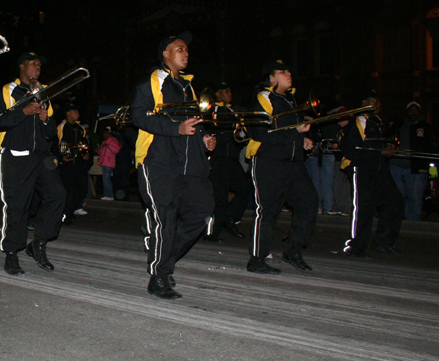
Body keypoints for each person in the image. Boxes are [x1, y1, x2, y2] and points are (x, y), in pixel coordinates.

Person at [130, 31, 216, 300]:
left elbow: (193, 123)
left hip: (190, 163)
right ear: (166, 54)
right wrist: (175, 128)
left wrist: (204, 138)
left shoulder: (188, 87)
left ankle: (164, 258)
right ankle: (158, 276)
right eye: (179, 49)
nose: (185, 52)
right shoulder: (151, 83)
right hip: (158, 162)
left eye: (187, 49)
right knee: (165, 219)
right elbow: (139, 117)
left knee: (202, 213)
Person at [0, 52, 66, 276]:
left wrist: (45, 120)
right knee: (16, 206)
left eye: (40, 64)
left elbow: (51, 132)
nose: (38, 67)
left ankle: (38, 243)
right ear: (22, 66)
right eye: (34, 63)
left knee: (57, 196)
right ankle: (11, 254)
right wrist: (23, 111)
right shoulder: (7, 91)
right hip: (15, 155)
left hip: (40, 156)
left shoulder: (42, 93)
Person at [246, 59, 318, 274]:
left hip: (294, 165)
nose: (288, 73)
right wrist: (295, 133)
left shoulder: (291, 100)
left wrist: (301, 141)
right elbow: (262, 133)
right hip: (270, 163)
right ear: (271, 78)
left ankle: (293, 250)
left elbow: (287, 132)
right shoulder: (264, 98)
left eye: (289, 70)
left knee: (309, 202)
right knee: (267, 211)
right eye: (282, 71)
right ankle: (256, 259)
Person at [340, 90, 404, 258]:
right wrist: (380, 153)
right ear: (364, 102)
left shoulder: (376, 122)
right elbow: (353, 151)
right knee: (364, 209)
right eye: (374, 100)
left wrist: (387, 148)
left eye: (379, 101)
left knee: (394, 202)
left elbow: (376, 145)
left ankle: (383, 242)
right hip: (362, 169)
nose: (378, 104)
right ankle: (355, 247)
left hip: (379, 169)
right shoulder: (358, 122)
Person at [205, 81, 251, 242]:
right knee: (220, 196)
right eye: (225, 91)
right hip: (217, 159)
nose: (229, 93)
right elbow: (209, 129)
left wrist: (241, 135)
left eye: (230, 90)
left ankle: (228, 219)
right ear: (217, 94)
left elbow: (239, 134)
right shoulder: (212, 109)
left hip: (231, 158)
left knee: (245, 187)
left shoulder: (233, 110)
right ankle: (213, 232)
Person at [388, 102, 437, 221]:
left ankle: (412, 220)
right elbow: (388, 138)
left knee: (414, 196)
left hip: (416, 167)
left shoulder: (426, 127)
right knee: (398, 195)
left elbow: (433, 146)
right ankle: (397, 218)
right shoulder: (399, 125)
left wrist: (431, 169)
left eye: (416, 110)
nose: (413, 112)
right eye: (411, 109)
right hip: (396, 165)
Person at [58, 102, 91, 223]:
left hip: (78, 164)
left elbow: (83, 143)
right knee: (67, 190)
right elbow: (55, 144)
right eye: (75, 111)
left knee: (82, 188)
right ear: (69, 113)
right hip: (66, 164)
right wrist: (61, 158)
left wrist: (85, 152)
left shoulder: (80, 128)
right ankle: (65, 214)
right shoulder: (61, 127)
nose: (77, 113)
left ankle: (69, 210)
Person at [96, 126, 121, 200]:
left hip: (109, 163)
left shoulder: (113, 141)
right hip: (104, 162)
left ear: (109, 133)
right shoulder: (105, 142)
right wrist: (98, 149)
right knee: (105, 179)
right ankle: (107, 194)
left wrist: (108, 145)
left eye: (105, 133)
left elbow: (116, 150)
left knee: (107, 179)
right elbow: (101, 152)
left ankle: (110, 195)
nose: (104, 135)